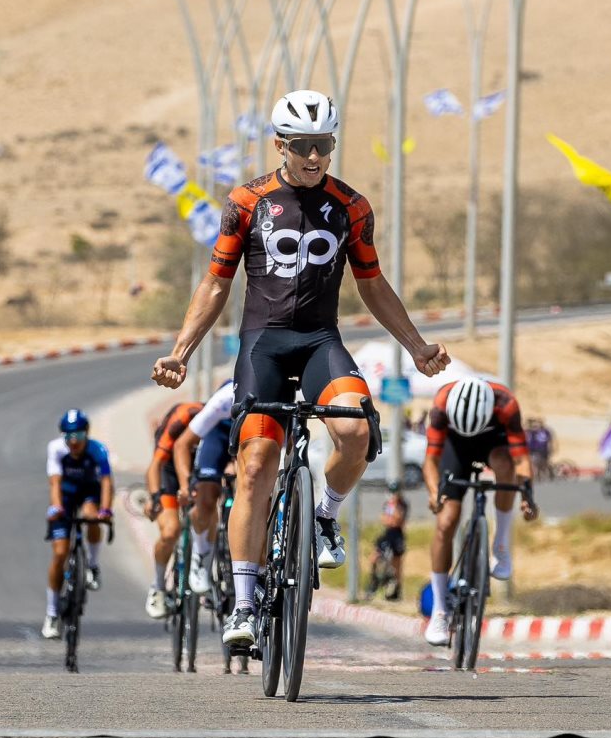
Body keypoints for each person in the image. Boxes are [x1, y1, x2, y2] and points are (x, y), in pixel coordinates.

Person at [150, 89, 450, 651]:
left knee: (357, 430)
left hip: (319, 340)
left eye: (325, 145)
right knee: (258, 463)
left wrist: (415, 346)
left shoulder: (352, 205)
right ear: (280, 145)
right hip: (263, 343)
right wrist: (181, 352)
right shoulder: (247, 200)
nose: (315, 157)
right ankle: (243, 607)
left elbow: (372, 283)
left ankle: (325, 516)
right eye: (304, 146)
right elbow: (217, 283)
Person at [422, 377, 538, 646]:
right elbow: (431, 460)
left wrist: (528, 495)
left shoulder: (506, 404)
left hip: (494, 442)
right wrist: (433, 493)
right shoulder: (441, 405)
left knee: (505, 466)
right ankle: (440, 610)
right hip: (455, 447)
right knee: (446, 521)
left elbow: (521, 459)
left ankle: (500, 545)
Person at [42, 410, 113, 639]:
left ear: (87, 434)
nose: (74, 442)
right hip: (65, 495)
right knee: (60, 552)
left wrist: (106, 509)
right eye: (69, 436)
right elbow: (54, 482)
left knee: (92, 516)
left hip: (89, 493)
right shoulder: (56, 449)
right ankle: (52, 613)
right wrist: (56, 507)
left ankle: (92, 565)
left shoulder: (98, 450)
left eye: (79, 436)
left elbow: (106, 482)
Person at [171, 379, 236, 601]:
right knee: (206, 497)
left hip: (250, 437)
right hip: (218, 435)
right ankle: (201, 554)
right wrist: (184, 485)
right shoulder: (223, 399)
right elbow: (182, 444)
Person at [143, 399, 204, 618]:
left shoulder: (220, 424)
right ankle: (158, 587)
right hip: (168, 471)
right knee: (170, 531)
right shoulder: (180, 421)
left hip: (199, 470)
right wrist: (153, 497)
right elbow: (155, 466)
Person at [368, 482, 408, 600]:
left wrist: (394, 506)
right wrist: (390, 517)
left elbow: (397, 520)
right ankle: (374, 582)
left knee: (397, 564)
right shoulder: (387, 504)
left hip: (397, 534)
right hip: (388, 533)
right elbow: (384, 519)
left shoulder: (402, 504)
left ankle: (396, 590)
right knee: (375, 557)